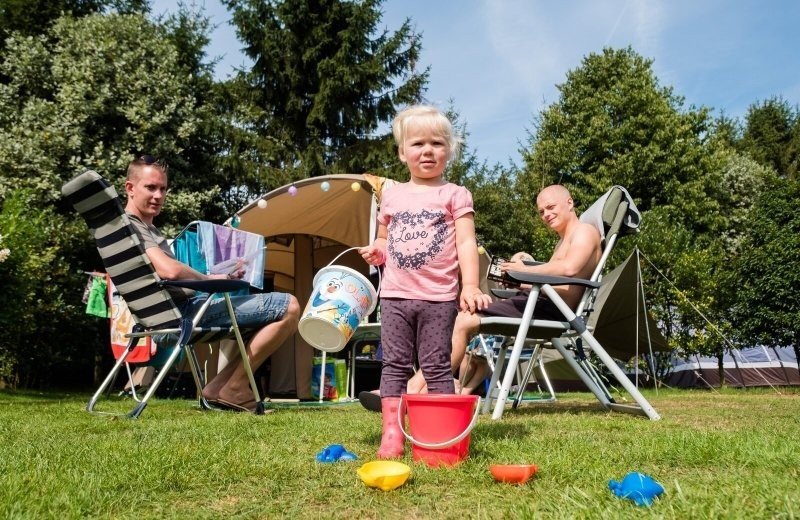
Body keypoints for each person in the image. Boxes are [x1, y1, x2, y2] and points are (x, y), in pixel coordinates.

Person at [358, 105, 492, 458]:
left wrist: (470, 285)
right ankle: (392, 433)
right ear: (403, 153)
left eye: (437, 143)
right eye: (417, 144)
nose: (427, 151)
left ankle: (436, 433)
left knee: (436, 365)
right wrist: (377, 251)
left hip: (438, 298)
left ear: (449, 150)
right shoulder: (391, 195)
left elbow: (466, 243)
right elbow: (384, 239)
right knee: (394, 364)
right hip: (395, 297)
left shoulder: (455, 194)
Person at [123, 154, 301, 413]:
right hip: (180, 317)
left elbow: (169, 276)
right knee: (289, 306)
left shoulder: (134, 230)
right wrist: (208, 280)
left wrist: (220, 276)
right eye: (151, 187)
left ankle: (219, 387)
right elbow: (170, 270)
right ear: (130, 188)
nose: (158, 195)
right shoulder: (133, 227)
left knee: (267, 318)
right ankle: (235, 386)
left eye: (163, 188)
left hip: (167, 315)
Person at [452, 184, 602, 394]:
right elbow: (554, 283)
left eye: (551, 207)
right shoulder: (562, 242)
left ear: (569, 203)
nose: (546, 215)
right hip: (539, 304)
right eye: (541, 211)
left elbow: (570, 268)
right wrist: (519, 282)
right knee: (465, 314)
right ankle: (437, 385)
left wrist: (525, 270)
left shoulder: (585, 231)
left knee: (464, 320)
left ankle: (432, 385)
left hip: (551, 311)